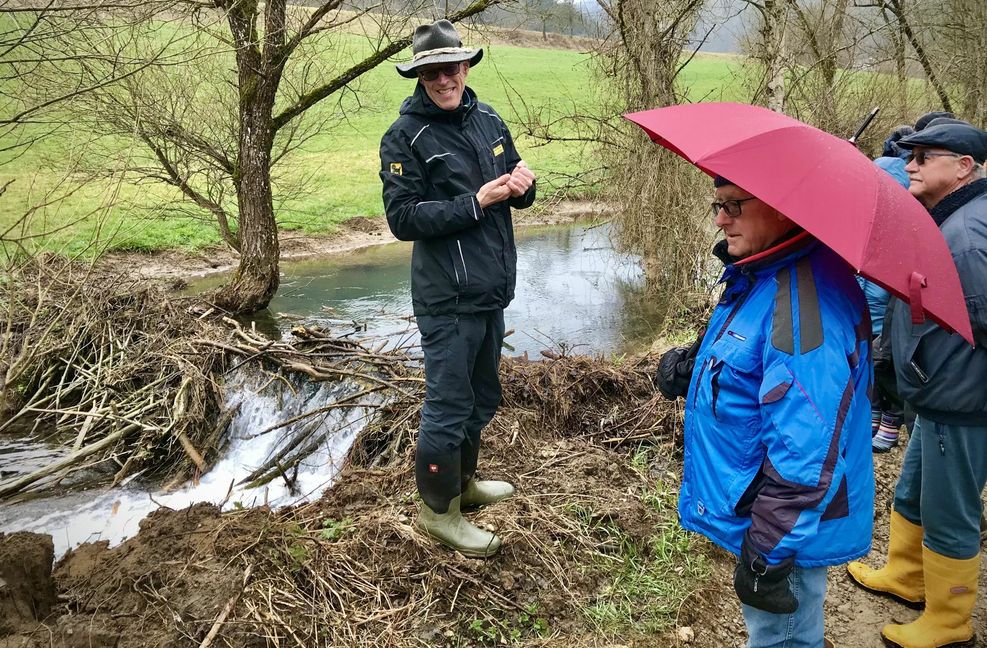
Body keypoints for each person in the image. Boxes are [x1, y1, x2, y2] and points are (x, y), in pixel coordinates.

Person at [661, 175, 873, 648]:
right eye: (718, 205)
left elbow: (806, 451)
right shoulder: (764, 273)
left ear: (782, 207)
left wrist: (767, 555)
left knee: (784, 637)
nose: (720, 219)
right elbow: (754, 366)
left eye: (734, 206)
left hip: (786, 527)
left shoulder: (800, 303)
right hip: (765, 506)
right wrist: (695, 365)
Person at [378, 20, 536, 558]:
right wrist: (477, 201)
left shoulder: (488, 116)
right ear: (420, 75)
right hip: (446, 296)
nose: (445, 79)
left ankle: (464, 487)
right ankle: (438, 512)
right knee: (448, 406)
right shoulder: (405, 137)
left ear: (466, 67)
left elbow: (512, 177)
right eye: (433, 71)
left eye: (453, 67)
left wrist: (522, 186)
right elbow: (403, 218)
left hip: (491, 288)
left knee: (482, 397)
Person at [847, 121, 987, 648]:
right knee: (914, 488)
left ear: (963, 167)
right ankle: (907, 577)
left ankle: (950, 622)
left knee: (951, 507)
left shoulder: (969, 237)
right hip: (938, 391)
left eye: (925, 157)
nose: (910, 165)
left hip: (962, 396)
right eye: (910, 156)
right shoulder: (951, 218)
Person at [866, 126, 914, 452]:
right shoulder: (911, 179)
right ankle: (890, 421)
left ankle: (873, 414)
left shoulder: (873, 168)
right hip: (891, 270)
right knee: (888, 354)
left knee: (869, 351)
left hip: (865, 263)